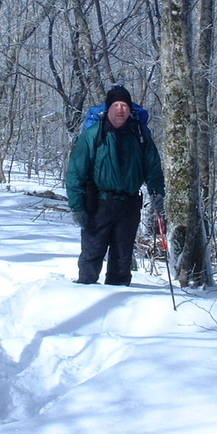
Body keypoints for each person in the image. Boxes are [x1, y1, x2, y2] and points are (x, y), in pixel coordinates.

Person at [66, 85, 165, 286]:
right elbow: (76, 172)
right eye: (116, 105)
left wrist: (157, 194)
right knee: (92, 255)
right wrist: (77, 207)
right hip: (98, 203)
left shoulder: (140, 135)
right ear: (108, 108)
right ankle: (83, 296)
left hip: (129, 204)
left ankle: (118, 301)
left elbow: (153, 167)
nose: (120, 109)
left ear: (130, 109)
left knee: (122, 259)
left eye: (124, 105)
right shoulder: (93, 135)